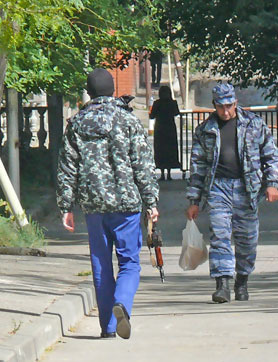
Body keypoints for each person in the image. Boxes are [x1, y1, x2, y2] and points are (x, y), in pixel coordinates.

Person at [56, 68, 159, 338]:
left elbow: (67, 167)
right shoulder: (128, 121)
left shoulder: (77, 123)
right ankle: (121, 303)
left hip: (93, 206)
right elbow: (143, 165)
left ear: (88, 92)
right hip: (126, 204)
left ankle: (108, 327)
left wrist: (65, 206)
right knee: (129, 263)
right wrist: (151, 202)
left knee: (101, 265)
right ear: (113, 89)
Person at [186, 83, 278, 303]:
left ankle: (242, 280)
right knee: (220, 236)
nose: (226, 111)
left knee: (247, 239)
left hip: (247, 189)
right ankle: (222, 284)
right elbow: (198, 167)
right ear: (214, 106)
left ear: (236, 103)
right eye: (221, 107)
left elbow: (272, 156)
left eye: (229, 105)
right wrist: (194, 200)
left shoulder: (253, 125)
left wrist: (272, 183)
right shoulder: (205, 130)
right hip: (218, 188)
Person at [149, 86, 181, 180]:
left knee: (160, 150)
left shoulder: (157, 103)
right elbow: (176, 113)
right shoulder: (173, 103)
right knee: (170, 150)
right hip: (170, 128)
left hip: (160, 128)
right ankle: (169, 173)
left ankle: (162, 173)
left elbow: (152, 116)